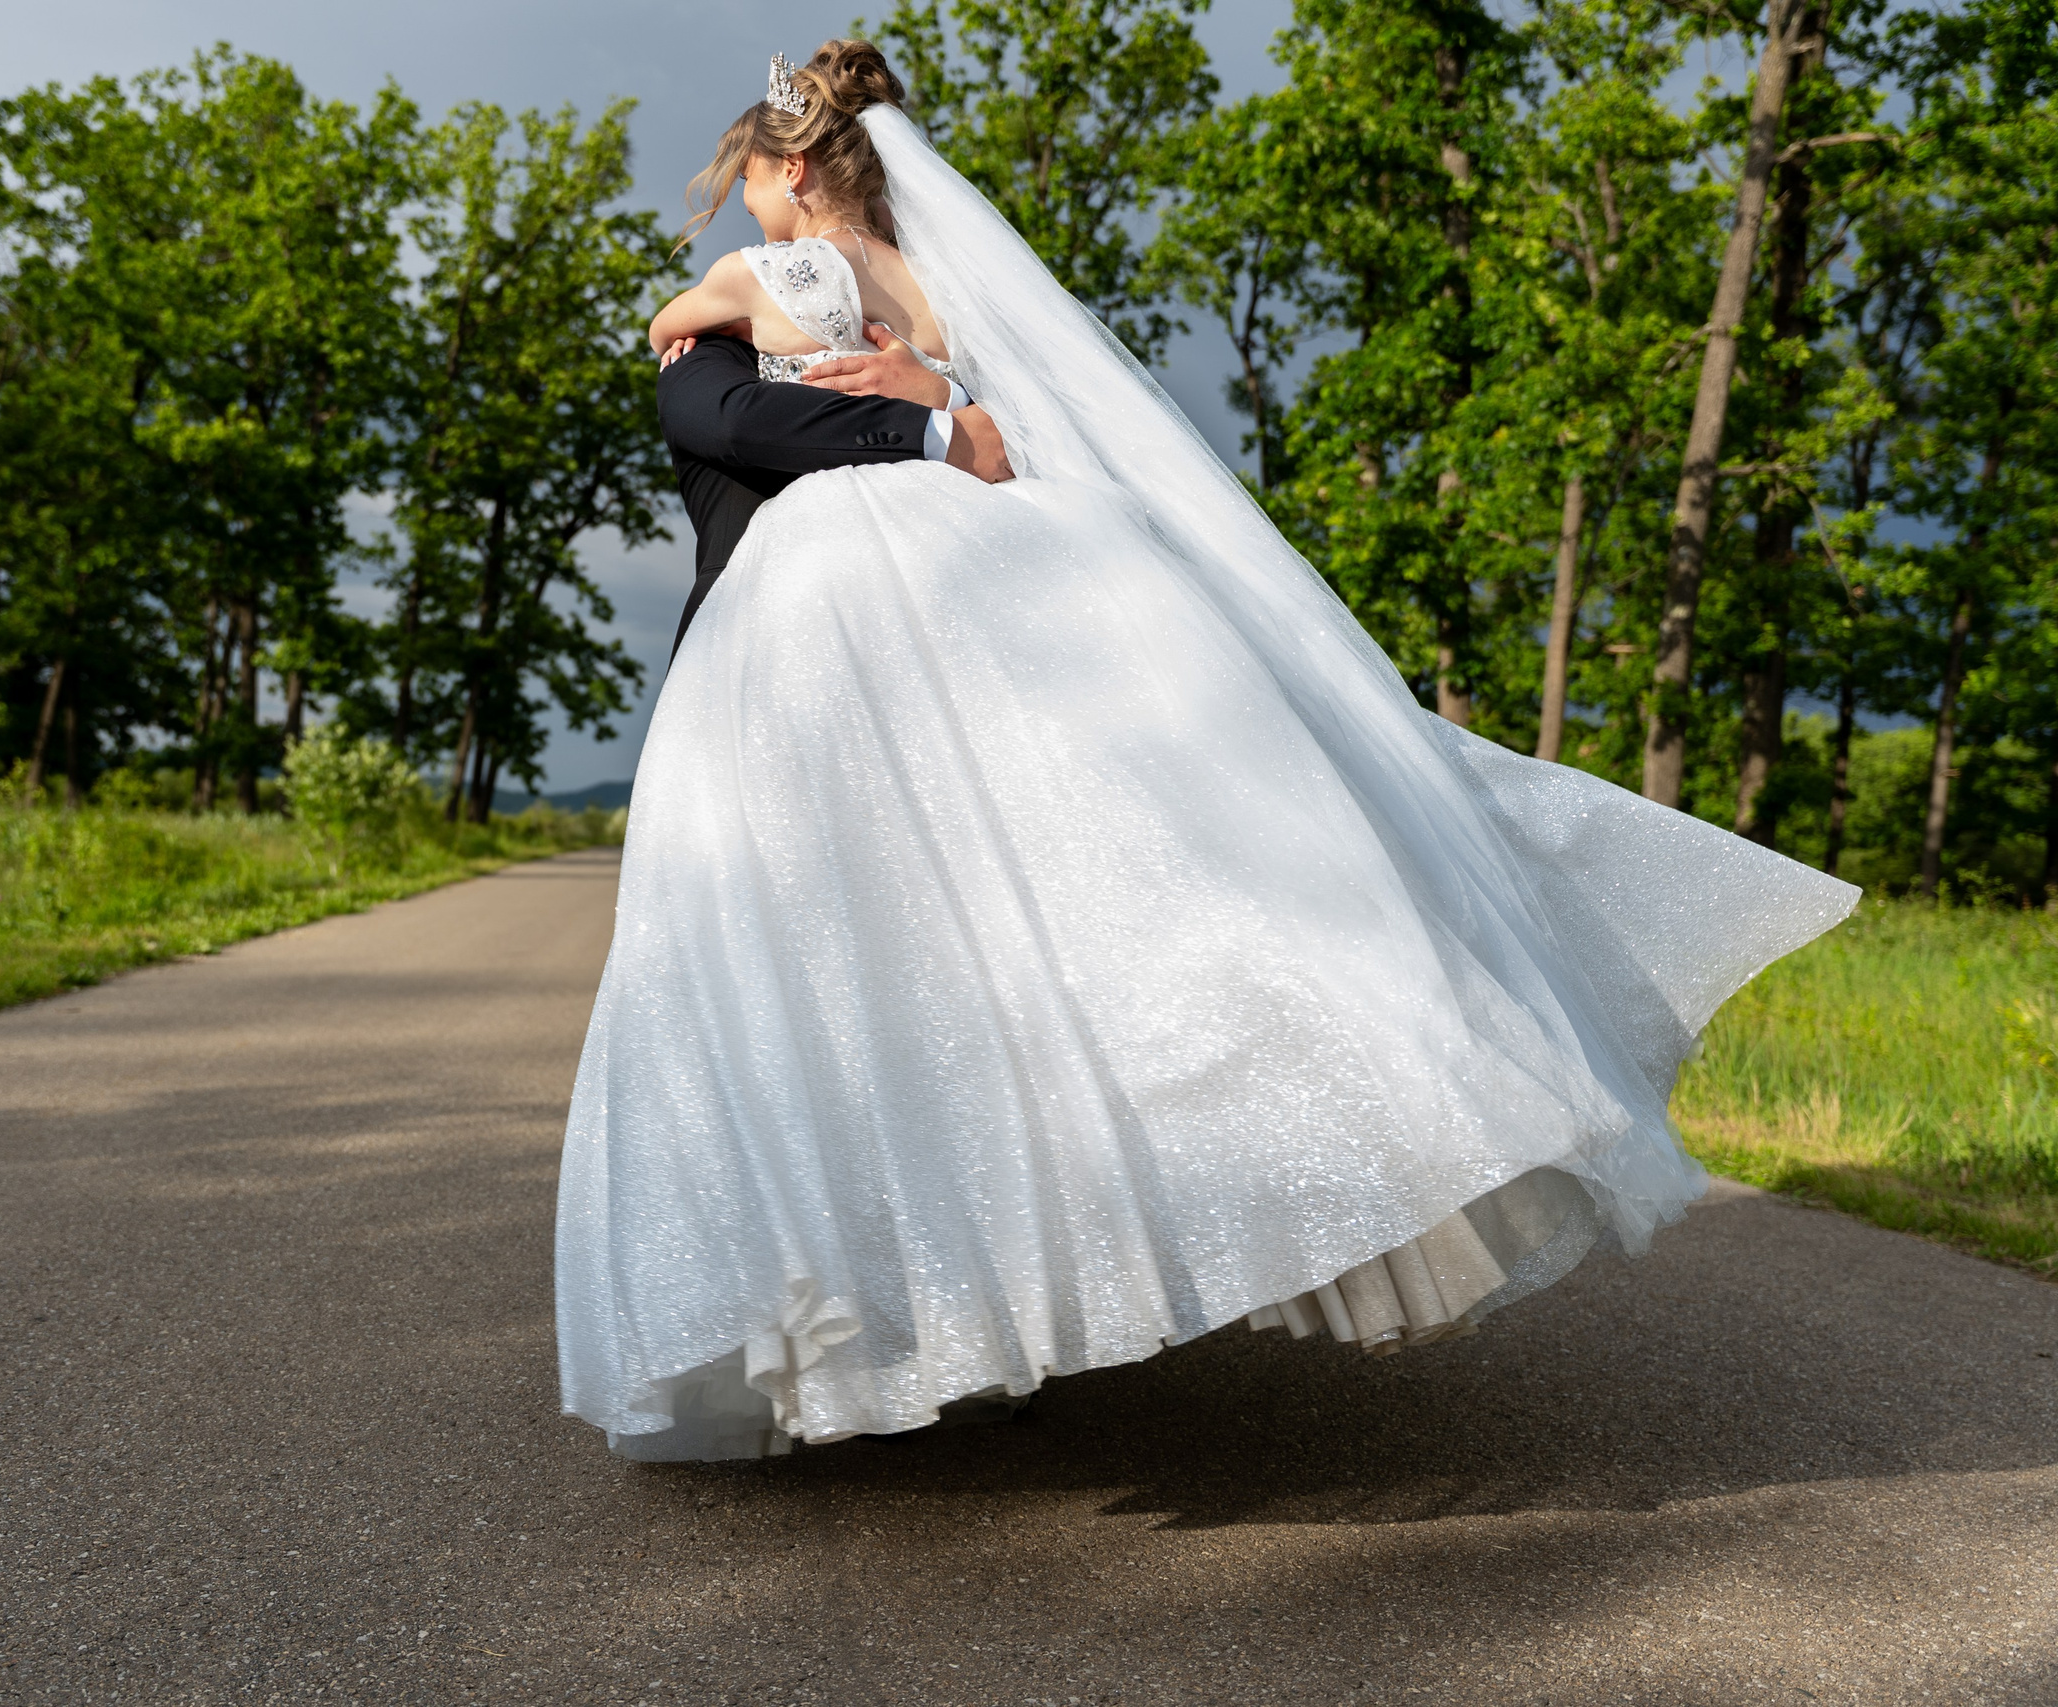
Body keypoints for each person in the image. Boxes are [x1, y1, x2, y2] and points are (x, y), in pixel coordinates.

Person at [554, 40, 1859, 1463]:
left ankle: (953, 1293)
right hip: (935, 607)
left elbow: (736, 366)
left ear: (795, 168)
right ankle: (965, 1285)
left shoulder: (766, 290)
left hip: (852, 637)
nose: (743, 212)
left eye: (749, 182)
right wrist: (938, 411)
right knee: (971, 959)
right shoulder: (927, 313)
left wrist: (868, 393)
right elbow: (806, 417)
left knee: (923, 967)